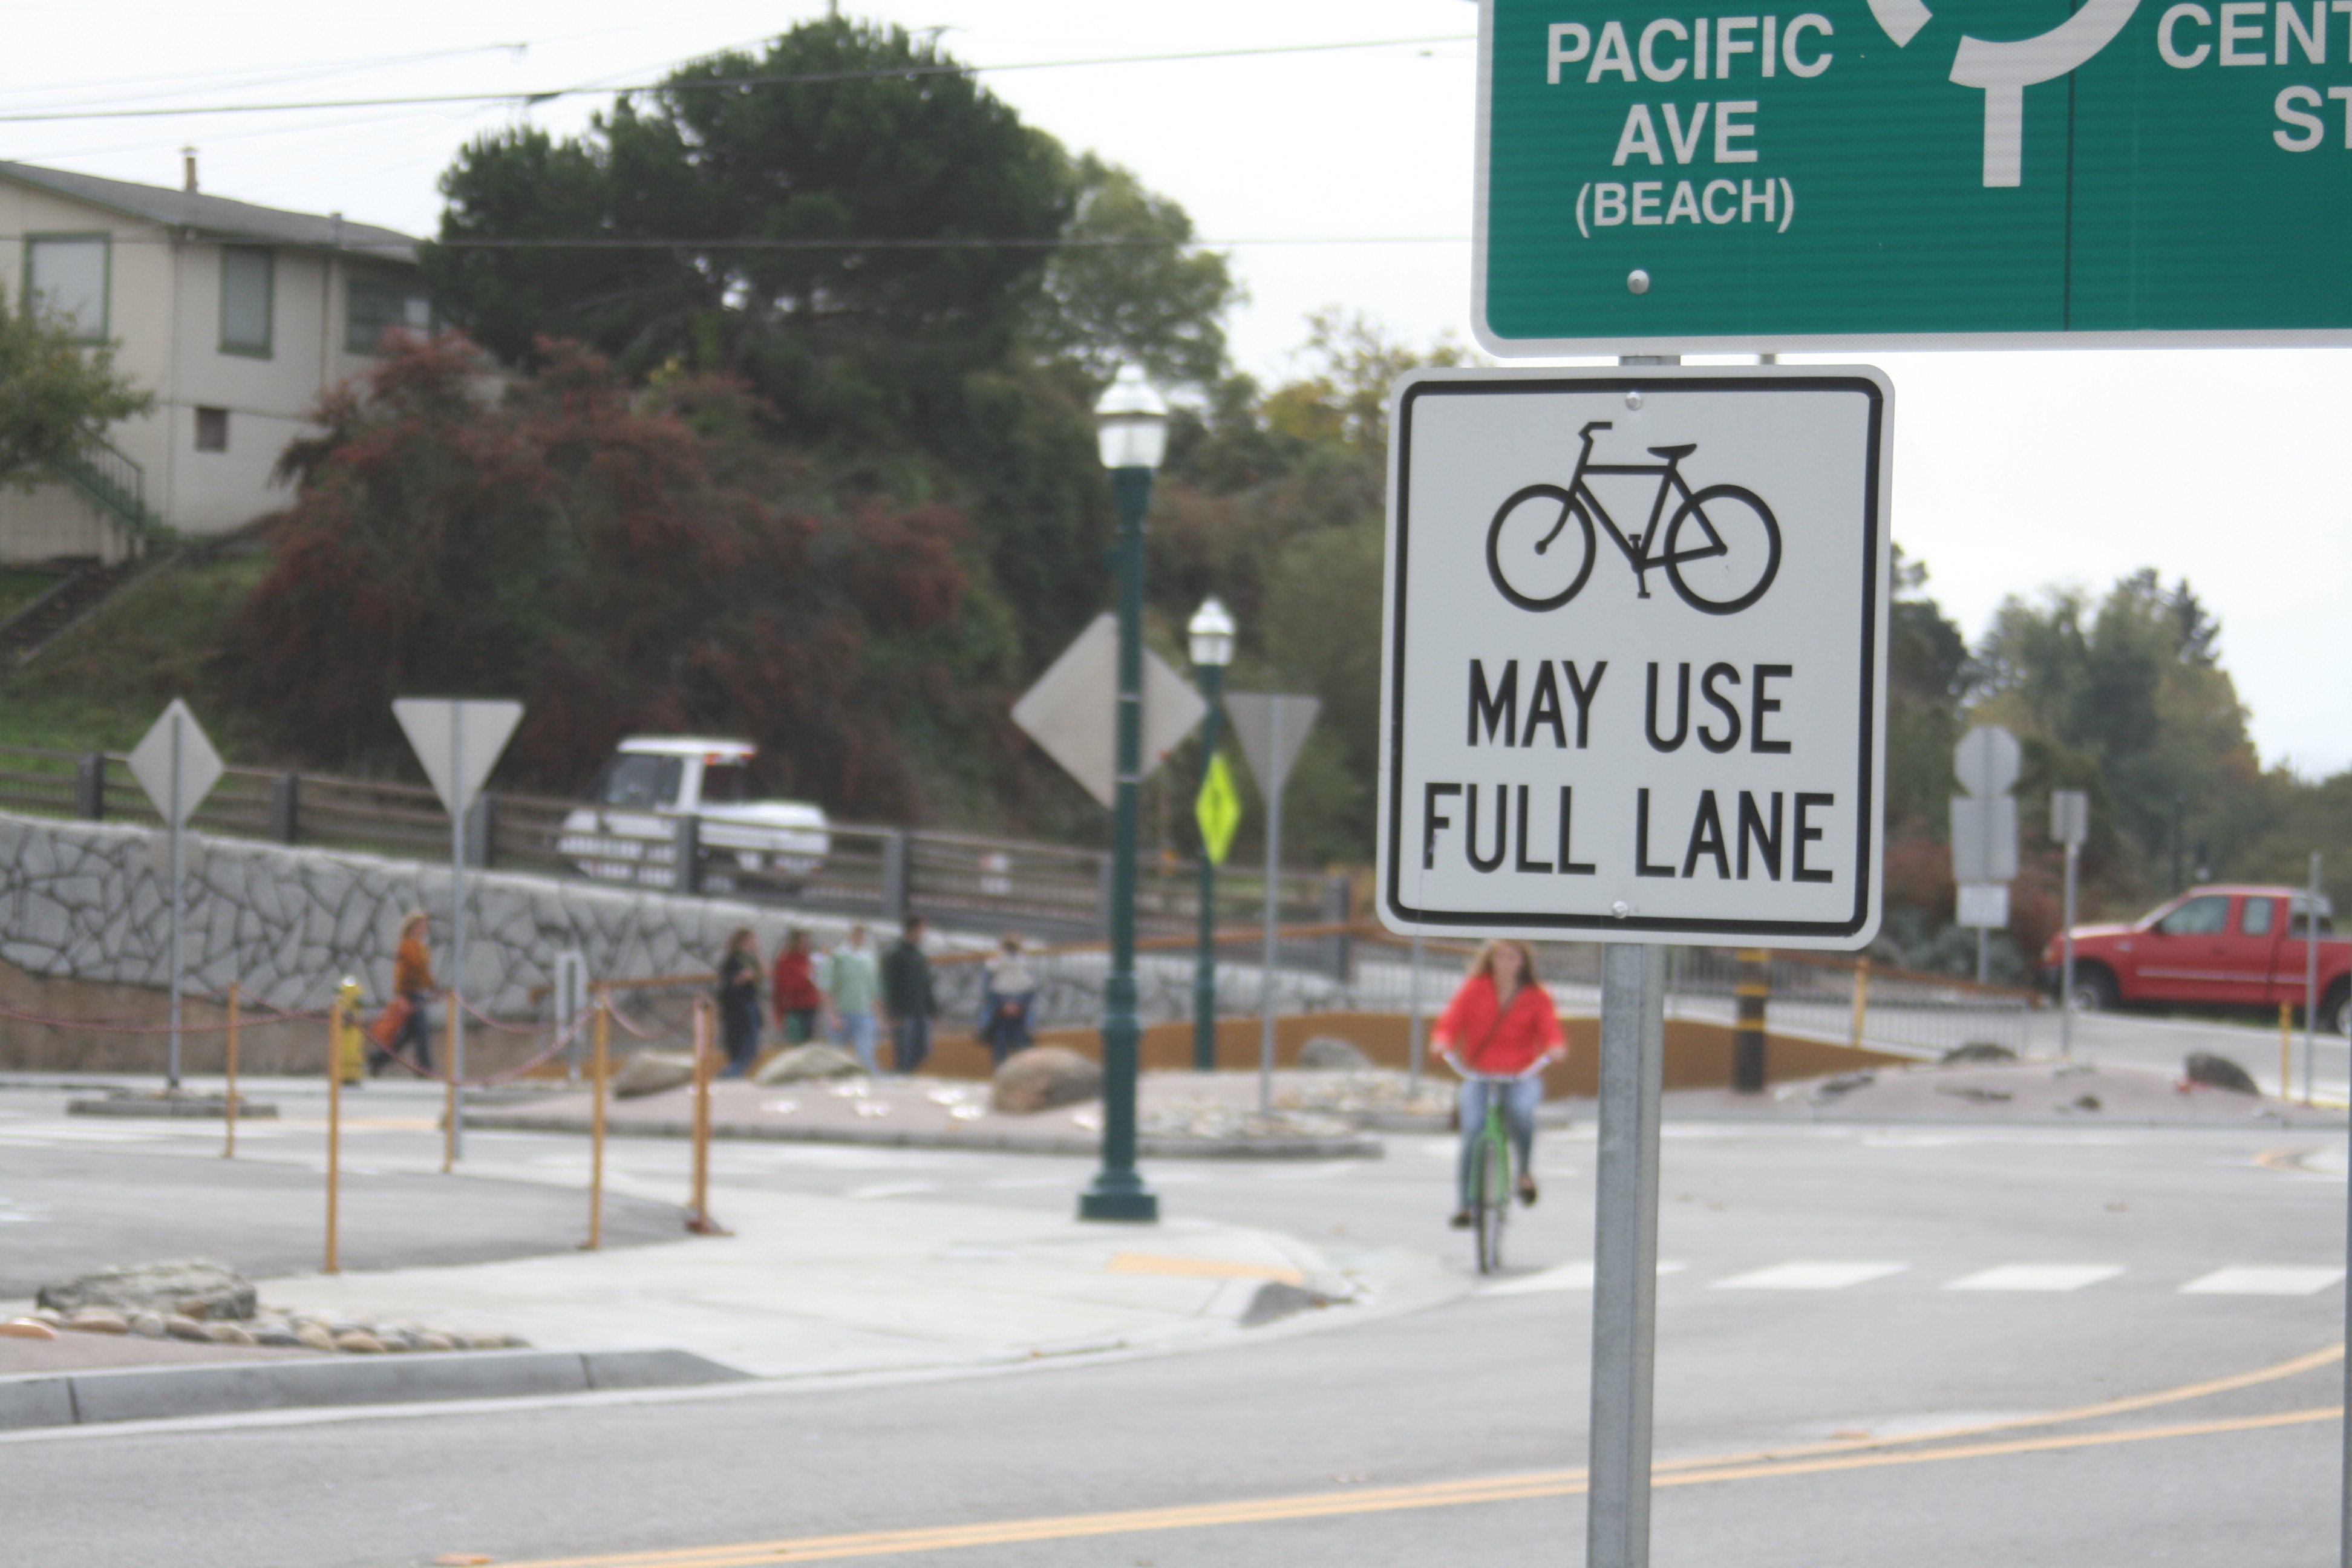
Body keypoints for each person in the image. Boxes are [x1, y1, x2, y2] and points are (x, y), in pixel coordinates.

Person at [1432, 938, 1565, 1229]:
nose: (1506, 963)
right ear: (1491, 960)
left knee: (1521, 1113)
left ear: (1523, 963)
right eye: (1501, 957)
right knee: (1473, 1129)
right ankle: (1466, 1205)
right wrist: (1442, 1042)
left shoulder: (1536, 996)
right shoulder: (1474, 990)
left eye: (1513, 958)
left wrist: (1555, 1048)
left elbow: (1550, 1031)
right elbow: (1450, 1023)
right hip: (1480, 1076)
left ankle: (1524, 1174)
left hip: (1520, 1076)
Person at [820, 924, 881, 1074]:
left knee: (865, 1054)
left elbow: (872, 990)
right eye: (856, 934)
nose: (859, 938)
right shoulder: (838, 958)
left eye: (862, 935)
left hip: (864, 1013)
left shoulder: (868, 959)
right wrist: (832, 1015)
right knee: (836, 1057)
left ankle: (874, 1084)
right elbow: (826, 987)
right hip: (842, 1013)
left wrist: (878, 1015)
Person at [881, 915, 937, 1076]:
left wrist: (933, 1011)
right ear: (913, 930)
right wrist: (892, 1013)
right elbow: (889, 986)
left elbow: (926, 985)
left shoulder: (918, 955)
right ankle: (901, 1077)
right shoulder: (896, 954)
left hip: (920, 1012)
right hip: (904, 1013)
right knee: (904, 1051)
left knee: (924, 1049)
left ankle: (904, 1074)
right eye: (921, 930)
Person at [386, 910, 438, 1074]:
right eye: (420, 925)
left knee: (408, 1035)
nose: (423, 928)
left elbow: (424, 970)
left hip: (417, 992)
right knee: (421, 1031)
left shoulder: (419, 946)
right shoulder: (408, 945)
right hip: (410, 993)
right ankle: (425, 1068)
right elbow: (420, 969)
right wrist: (433, 988)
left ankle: (378, 1059)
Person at [977, 932, 1037, 1068]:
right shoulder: (993, 966)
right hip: (1000, 1017)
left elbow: (1031, 989)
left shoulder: (1025, 964)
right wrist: (1004, 1004)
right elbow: (987, 991)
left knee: (1022, 1048)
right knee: (1000, 1048)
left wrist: (1017, 1004)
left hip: (1020, 1016)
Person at [715, 927, 763, 1078]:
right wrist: (742, 977)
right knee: (742, 1044)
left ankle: (737, 1072)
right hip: (737, 1007)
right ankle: (729, 1074)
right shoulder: (733, 960)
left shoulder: (750, 959)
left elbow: (764, 973)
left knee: (752, 1044)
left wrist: (757, 953)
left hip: (750, 1003)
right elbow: (728, 983)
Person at [771, 928, 821, 1045]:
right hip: (794, 1009)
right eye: (803, 942)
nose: (806, 945)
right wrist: (804, 978)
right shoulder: (785, 962)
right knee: (796, 1044)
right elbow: (786, 987)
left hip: (810, 1007)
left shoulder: (809, 961)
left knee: (809, 1044)